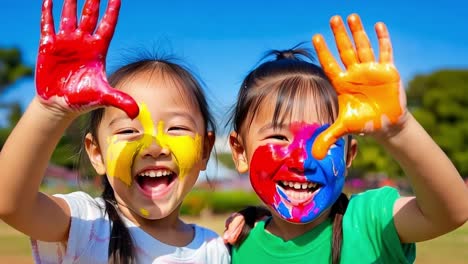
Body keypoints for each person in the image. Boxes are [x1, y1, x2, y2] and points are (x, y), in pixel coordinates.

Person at [225, 14, 468, 263]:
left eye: (327, 139)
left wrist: (399, 130)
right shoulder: (233, 249)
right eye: (278, 137)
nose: (302, 161)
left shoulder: (370, 222)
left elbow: (452, 211)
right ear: (240, 152)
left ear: (349, 154)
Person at [0, 0, 230, 263]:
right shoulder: (86, 225)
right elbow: (10, 203)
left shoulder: (214, 249)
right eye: (129, 131)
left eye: (176, 128)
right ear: (96, 153)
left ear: (205, 150)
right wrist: (50, 109)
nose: (154, 148)